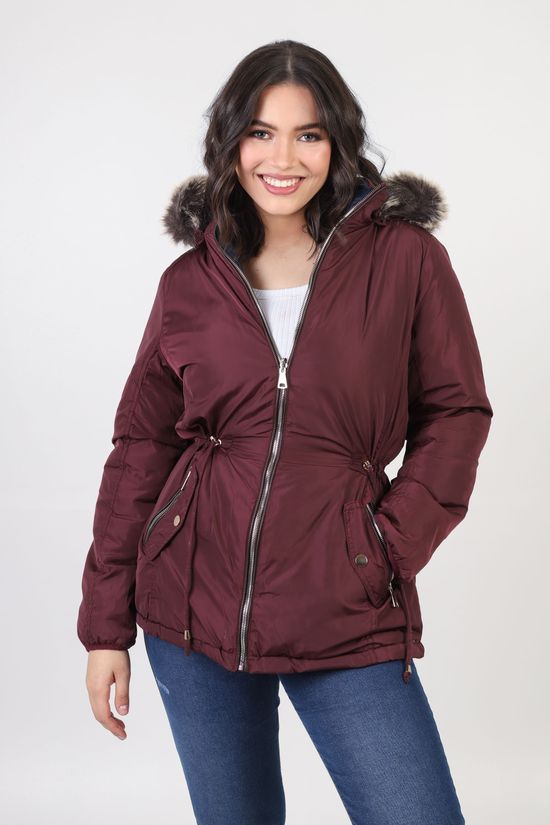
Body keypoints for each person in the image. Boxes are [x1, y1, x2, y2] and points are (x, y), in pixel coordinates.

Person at [77, 39, 493, 825]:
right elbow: (141, 449)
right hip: (191, 611)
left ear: (338, 143)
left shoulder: (407, 260)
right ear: (230, 142)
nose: (283, 158)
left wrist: (384, 548)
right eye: (261, 132)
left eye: (309, 134)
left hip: (344, 605)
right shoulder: (190, 282)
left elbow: (456, 412)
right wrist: (105, 628)